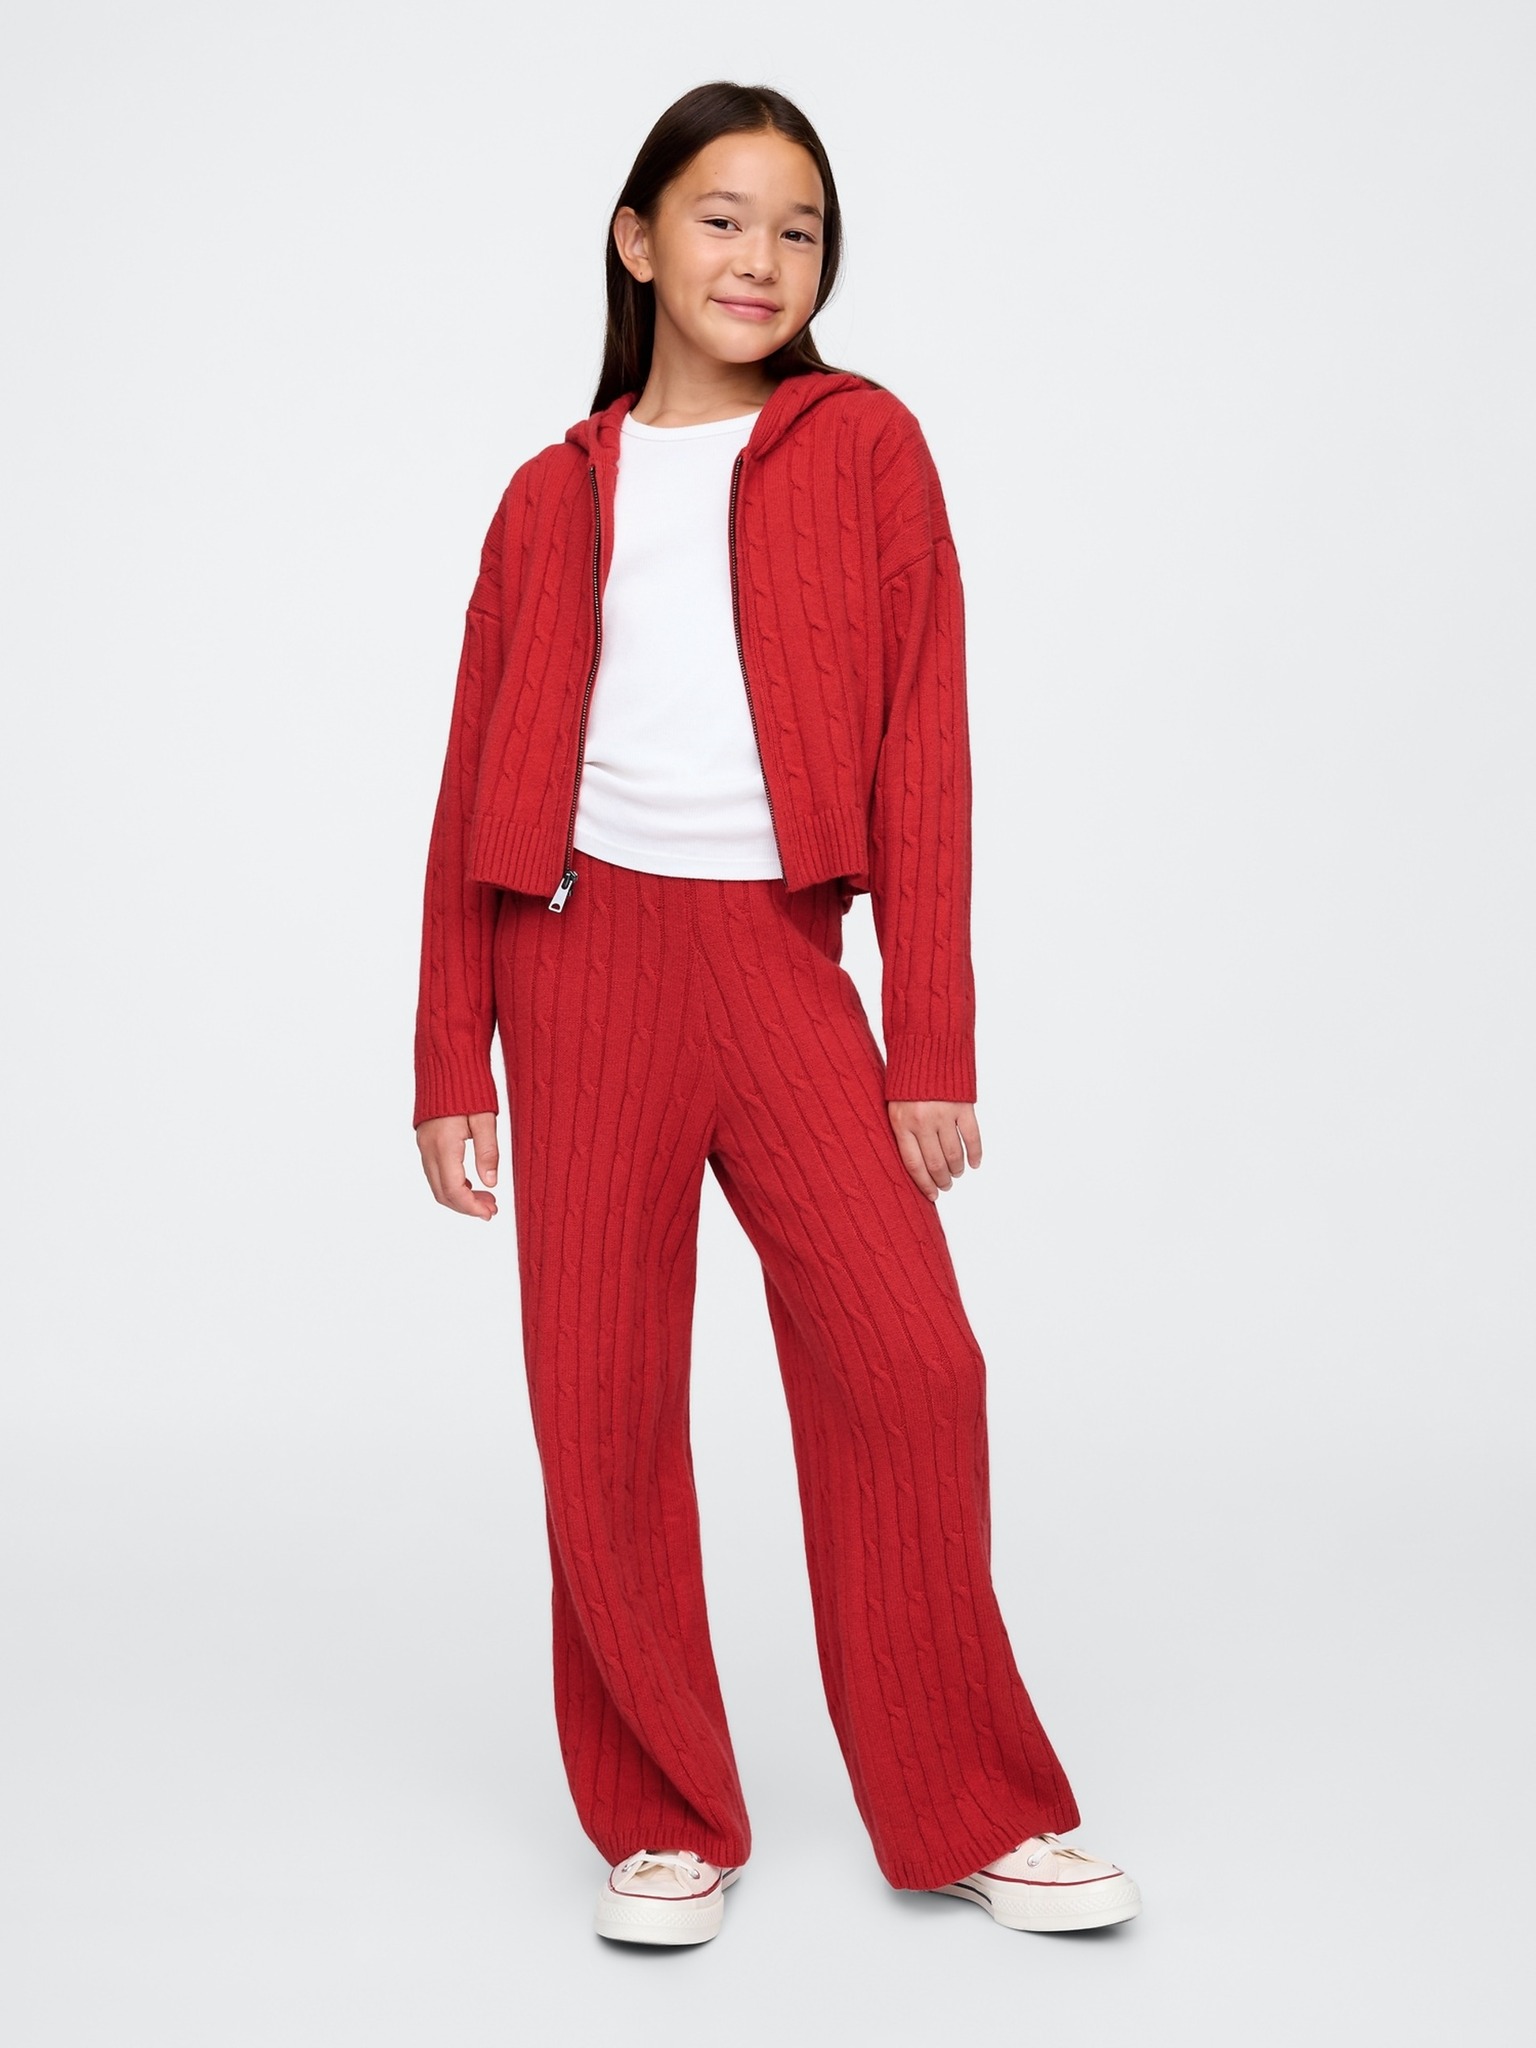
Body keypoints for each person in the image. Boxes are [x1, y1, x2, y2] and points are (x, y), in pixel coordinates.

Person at [412, 79, 1141, 1947]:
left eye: (798, 229)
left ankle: (972, 1801)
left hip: (780, 960)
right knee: (601, 1404)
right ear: (638, 238)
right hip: (578, 961)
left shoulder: (863, 446)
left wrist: (932, 1037)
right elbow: (472, 777)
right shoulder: (549, 493)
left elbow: (927, 751)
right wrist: (446, 1054)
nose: (761, 258)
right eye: (722, 217)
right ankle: (664, 1816)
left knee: (913, 1366)